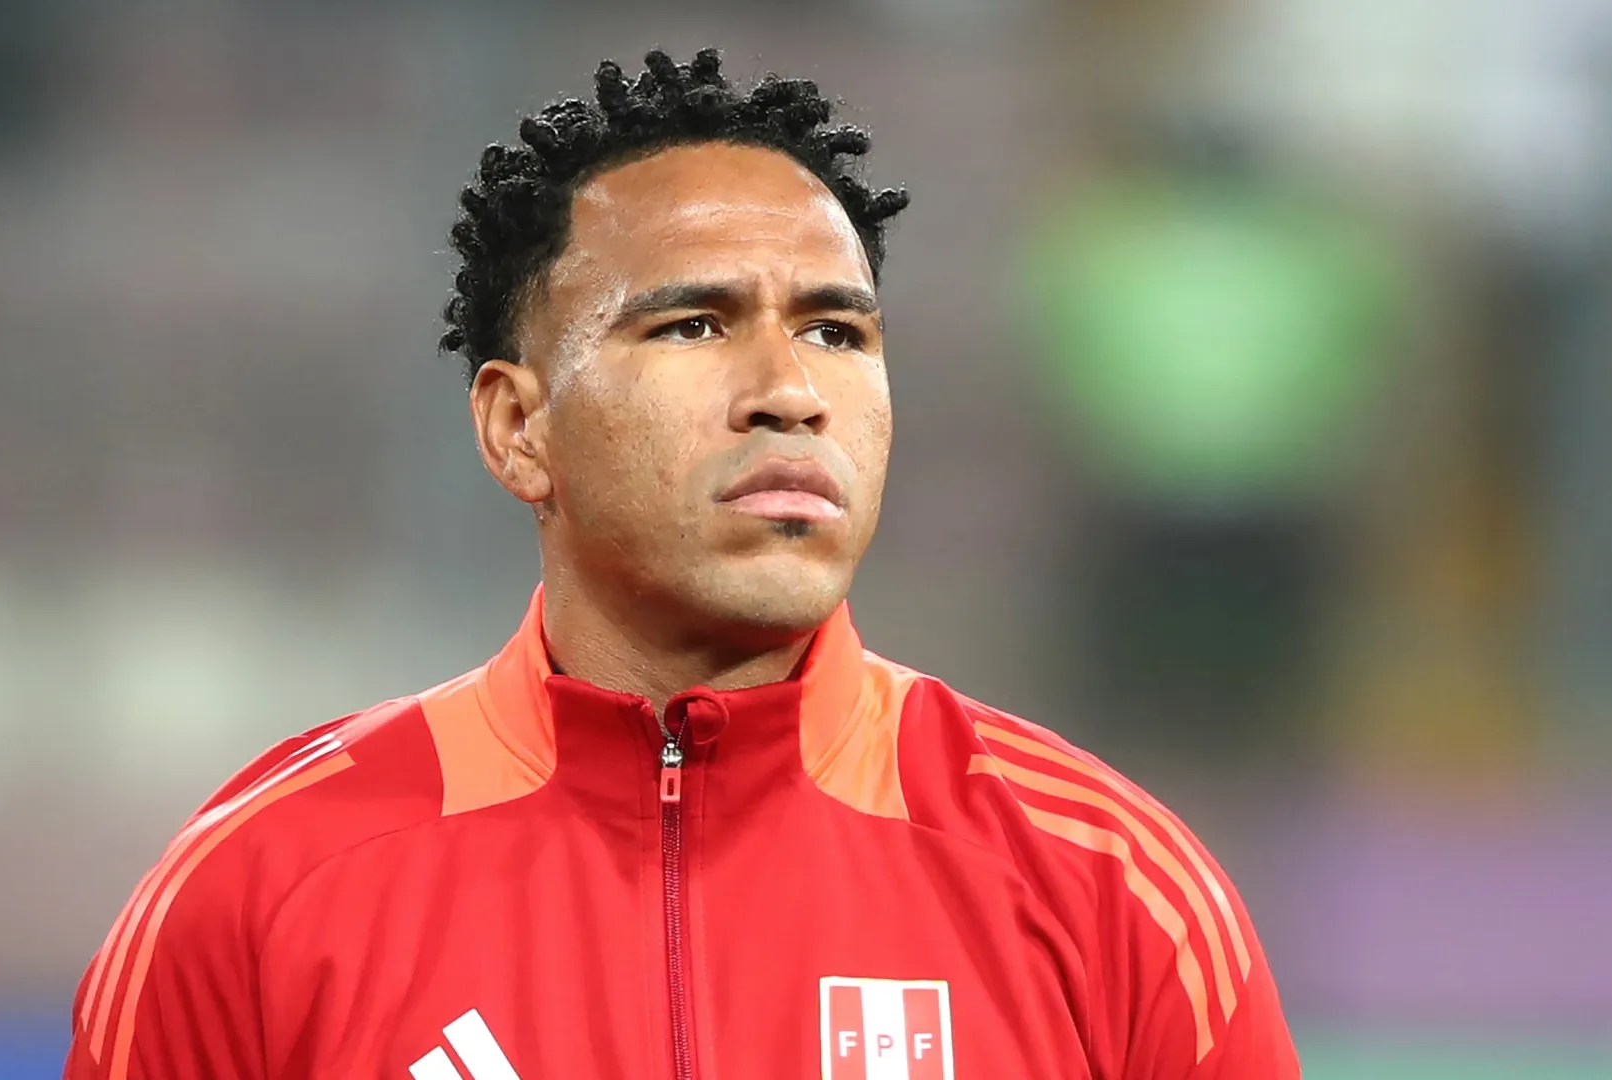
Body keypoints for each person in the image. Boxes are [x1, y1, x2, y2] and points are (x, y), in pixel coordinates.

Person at [63, 49, 1299, 1080]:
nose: (789, 393)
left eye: (834, 329)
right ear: (516, 428)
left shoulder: (1107, 891)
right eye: (694, 324)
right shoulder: (262, 889)